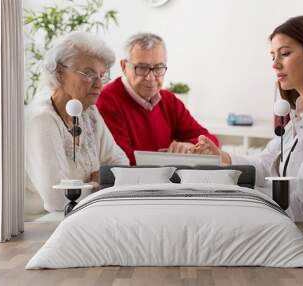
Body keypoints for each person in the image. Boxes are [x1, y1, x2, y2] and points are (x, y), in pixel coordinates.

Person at [191, 16, 303, 222]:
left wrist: (238, 199)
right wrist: (222, 157)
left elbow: (302, 207)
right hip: (298, 232)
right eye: (272, 56)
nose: (275, 64)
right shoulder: (301, 116)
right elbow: (266, 165)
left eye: (284, 54)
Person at [25, 32, 129, 213]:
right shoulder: (41, 119)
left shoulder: (88, 112)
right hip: (40, 226)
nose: (98, 84)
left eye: (102, 75)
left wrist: (93, 182)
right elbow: (58, 200)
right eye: (88, 74)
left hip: (86, 214)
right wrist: (99, 181)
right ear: (59, 72)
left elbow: (121, 164)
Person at [96, 33, 219, 165]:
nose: (151, 77)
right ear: (124, 67)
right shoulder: (106, 101)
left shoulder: (169, 101)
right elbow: (123, 161)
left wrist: (190, 146)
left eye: (159, 68)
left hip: (166, 182)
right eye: (142, 68)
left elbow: (211, 142)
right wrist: (174, 158)